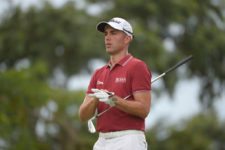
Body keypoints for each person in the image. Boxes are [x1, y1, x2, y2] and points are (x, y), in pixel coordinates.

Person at [79, 17, 152, 150]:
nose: (107, 37)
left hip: (129, 139)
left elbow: (144, 109)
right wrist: (95, 99)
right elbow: (83, 116)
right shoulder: (98, 73)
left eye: (113, 33)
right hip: (102, 140)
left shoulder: (137, 66)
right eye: (106, 34)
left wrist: (114, 100)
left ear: (127, 39)